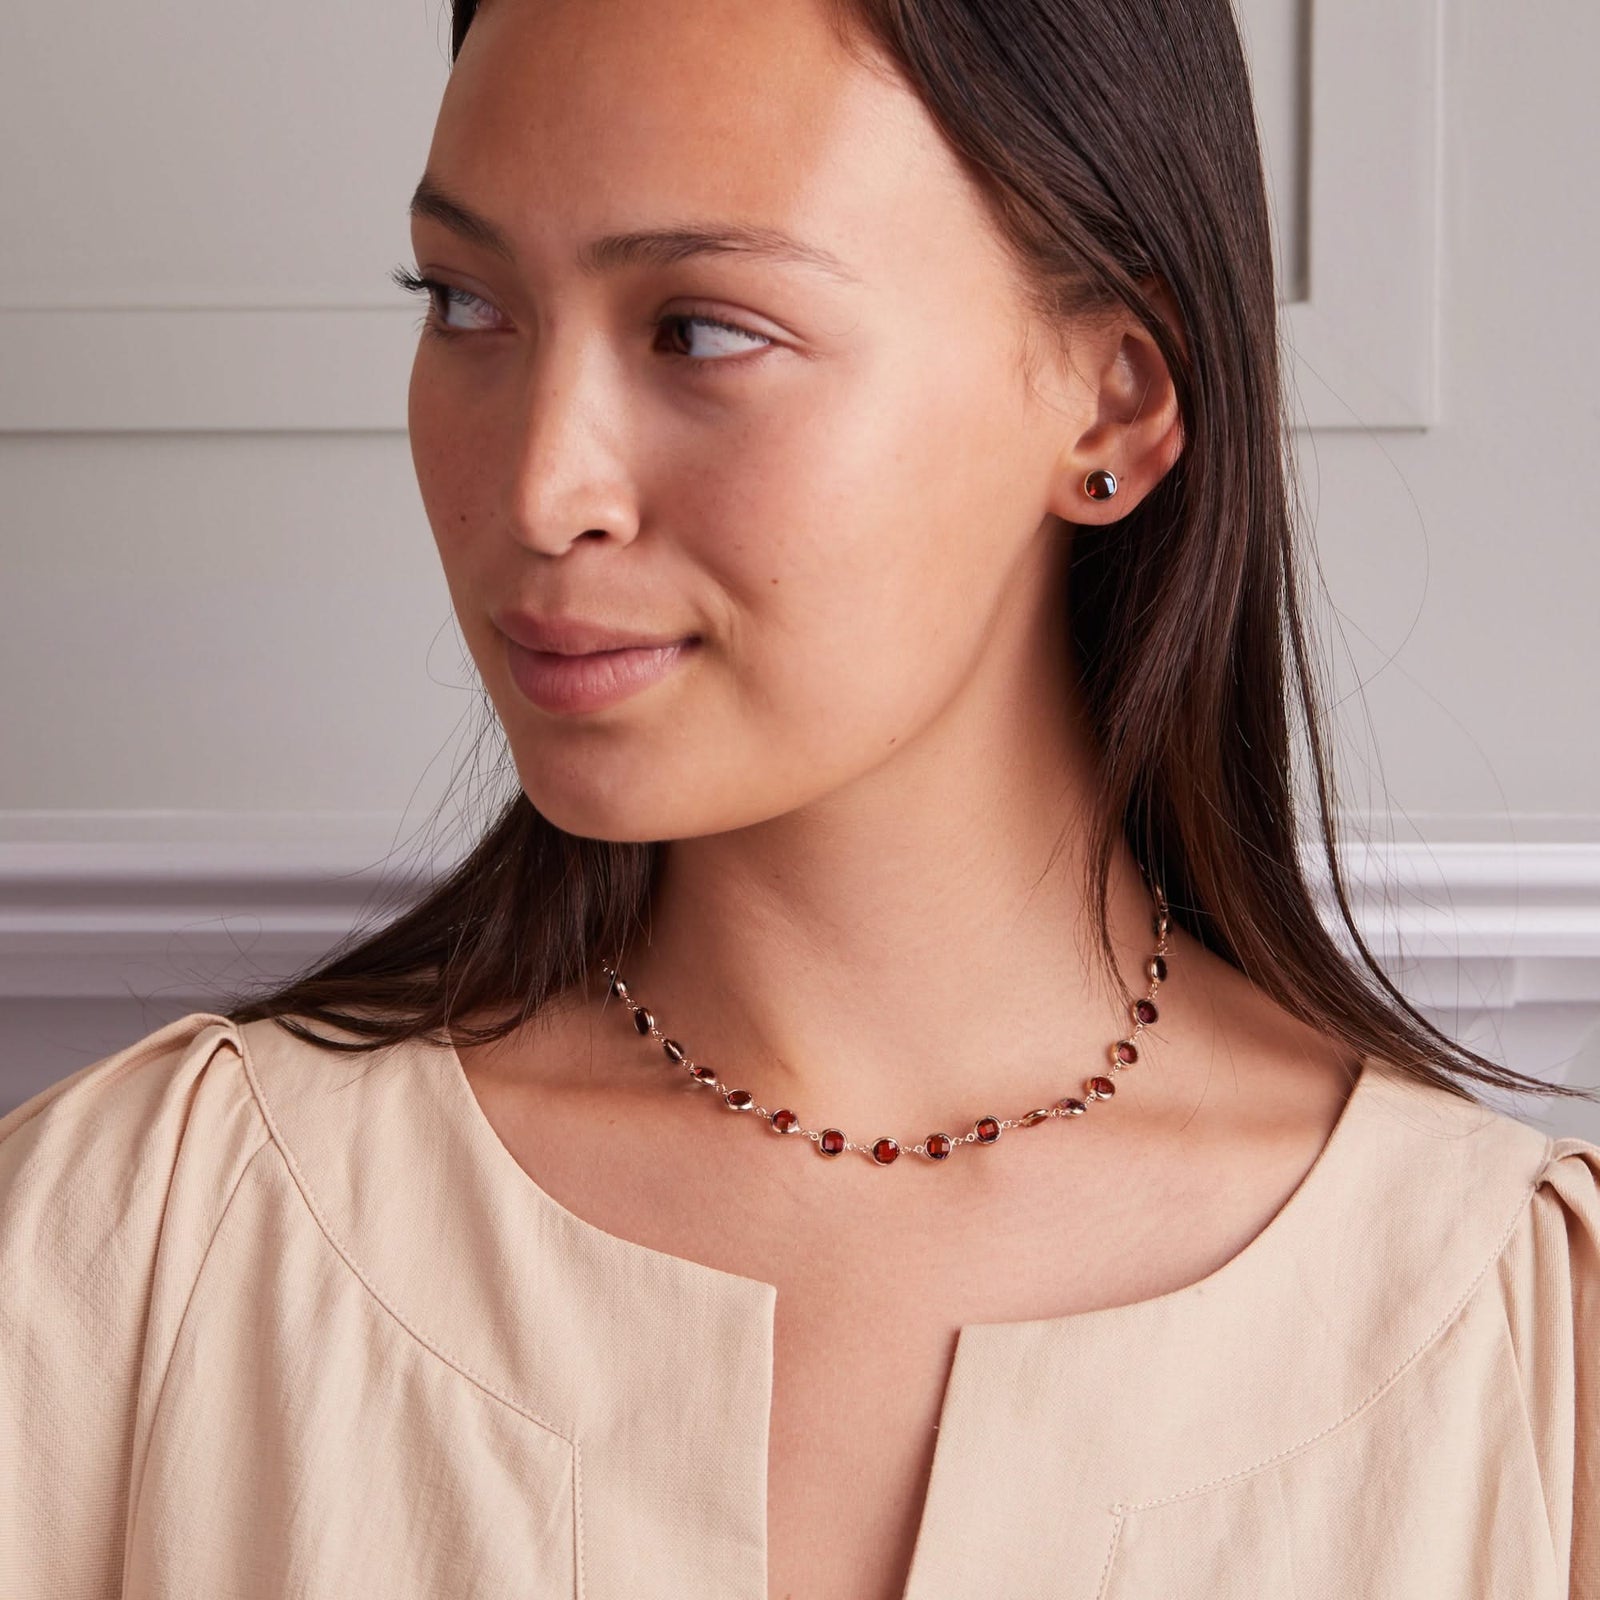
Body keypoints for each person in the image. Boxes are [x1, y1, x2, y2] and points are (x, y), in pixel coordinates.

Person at [2, 0, 1596, 1594]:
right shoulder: (144, 1251)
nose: (542, 490)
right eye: (466, 303)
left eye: (700, 330)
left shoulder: (1521, 1360)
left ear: (1113, 400)